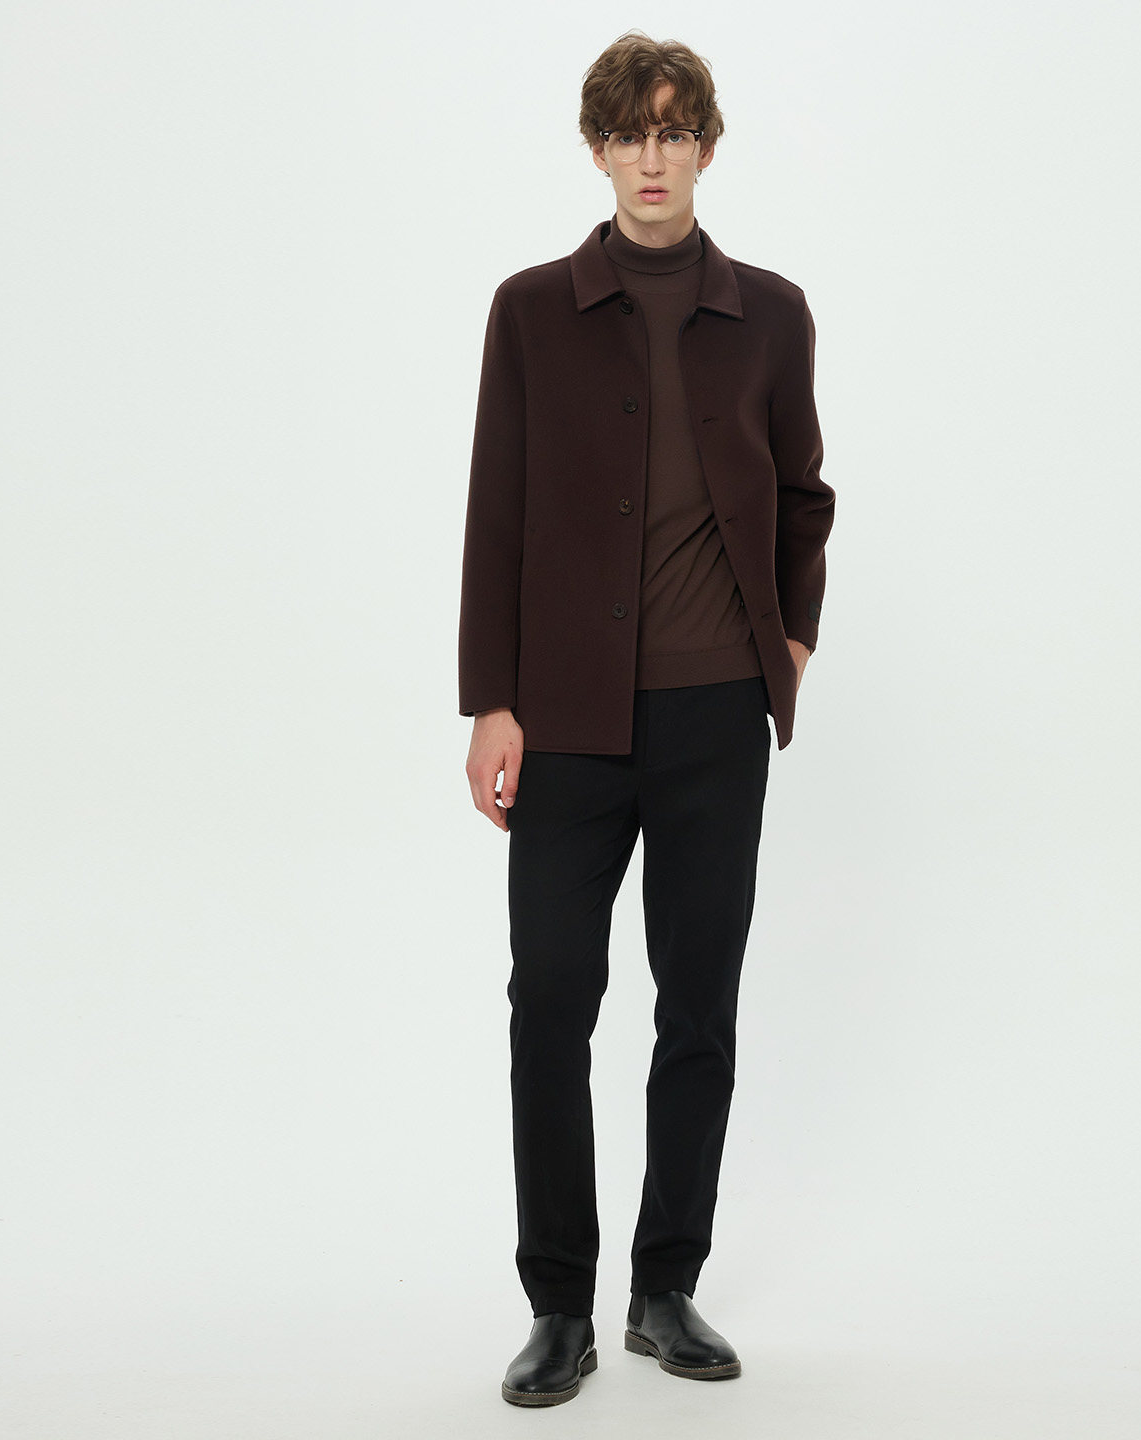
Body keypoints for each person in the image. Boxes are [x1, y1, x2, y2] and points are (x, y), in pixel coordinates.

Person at [457, 30, 835, 1407]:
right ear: (599, 149)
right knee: (552, 1000)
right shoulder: (531, 311)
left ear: (707, 148)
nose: (653, 156)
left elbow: (802, 495)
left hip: (715, 717)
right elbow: (497, 508)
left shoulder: (772, 313)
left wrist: (789, 644)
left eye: (676, 131)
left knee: (700, 1005)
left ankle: (664, 1286)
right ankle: (558, 1305)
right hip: (564, 719)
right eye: (631, 132)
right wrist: (492, 700)